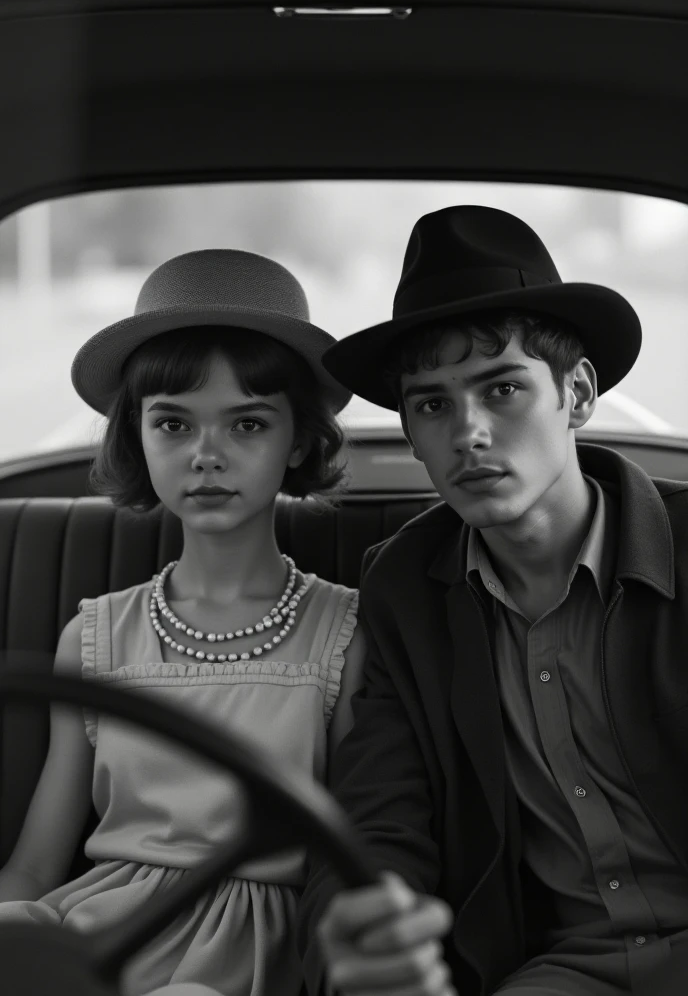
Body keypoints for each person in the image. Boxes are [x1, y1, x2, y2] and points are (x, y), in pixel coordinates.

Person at [297, 205, 688, 996]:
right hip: (561, 971)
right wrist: (364, 932)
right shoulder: (403, 587)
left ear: (576, 394)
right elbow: (380, 815)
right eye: (432, 405)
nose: (468, 431)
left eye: (502, 388)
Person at [0, 248, 366, 996]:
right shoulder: (95, 636)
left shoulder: (345, 633)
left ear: (297, 440)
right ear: (137, 436)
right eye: (173, 423)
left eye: (247, 425)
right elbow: (36, 866)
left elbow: (357, 854)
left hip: (258, 959)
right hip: (99, 934)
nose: (206, 456)